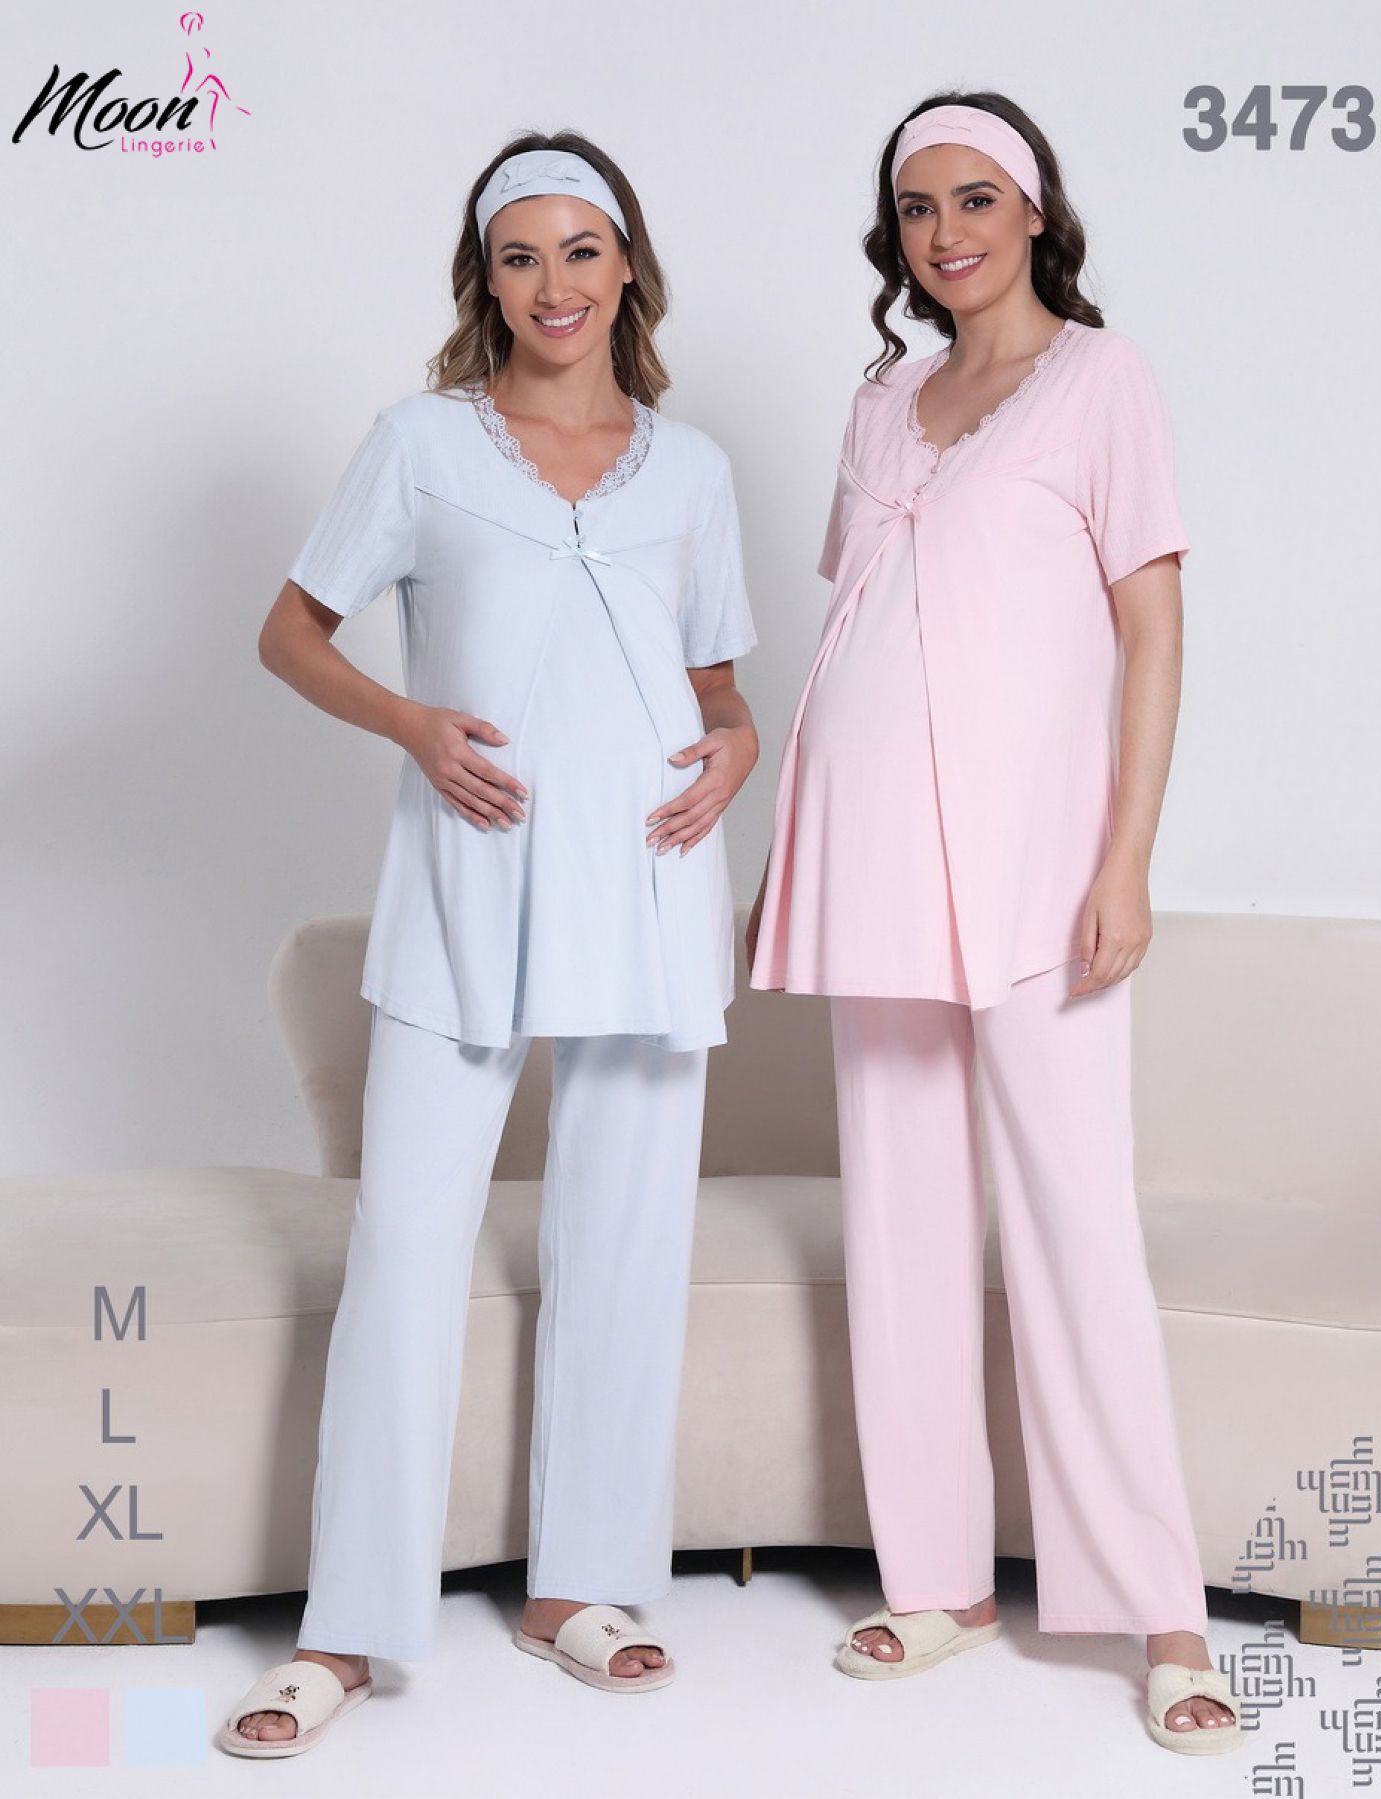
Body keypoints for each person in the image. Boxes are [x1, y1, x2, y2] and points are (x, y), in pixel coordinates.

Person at [222, 132, 759, 1758]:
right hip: (469, 885)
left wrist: (739, 745)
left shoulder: (694, 470)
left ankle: (580, 1586)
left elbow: (718, 686)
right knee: (407, 1245)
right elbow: (290, 631)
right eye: (521, 256)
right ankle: (346, 1630)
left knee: (626, 1244)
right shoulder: (422, 445)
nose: (554, 284)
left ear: (627, 266)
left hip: (650, 886)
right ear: (486, 280)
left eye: (581, 250)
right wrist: (411, 725)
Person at [747, 94, 1244, 1756]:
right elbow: (863, 629)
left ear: (1034, 211)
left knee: (1073, 1223)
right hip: (872, 857)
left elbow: (1153, 631)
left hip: (1040, 868)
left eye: (975, 199)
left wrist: (1127, 860)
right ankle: (940, 1584)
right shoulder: (881, 404)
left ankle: (1161, 1611)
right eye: (916, 207)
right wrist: (798, 852)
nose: (944, 232)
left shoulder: (1105, 382)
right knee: (899, 1219)